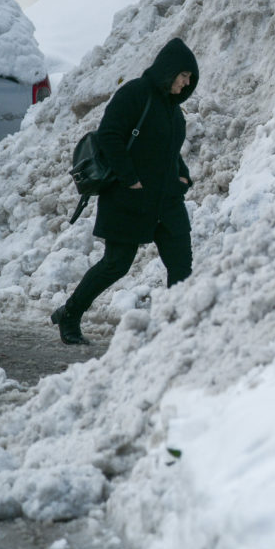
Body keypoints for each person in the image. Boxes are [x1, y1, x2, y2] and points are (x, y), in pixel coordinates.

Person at [52, 37, 199, 345]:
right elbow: (109, 134)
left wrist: (182, 176)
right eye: (183, 76)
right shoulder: (135, 94)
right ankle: (70, 313)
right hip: (130, 198)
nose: (186, 84)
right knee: (116, 264)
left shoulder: (174, 110)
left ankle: (174, 330)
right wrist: (129, 178)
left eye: (190, 79)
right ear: (169, 70)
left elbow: (169, 150)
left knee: (181, 264)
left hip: (166, 200)